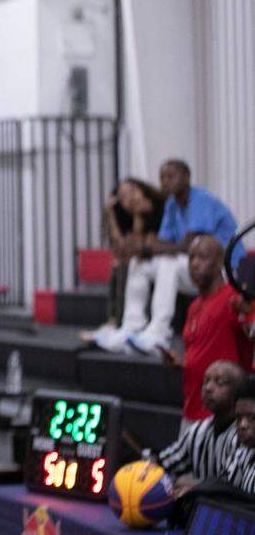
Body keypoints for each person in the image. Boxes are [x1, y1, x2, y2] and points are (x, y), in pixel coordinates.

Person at [96, 159, 240, 356]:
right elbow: (164, 243)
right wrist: (147, 250)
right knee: (140, 262)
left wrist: (147, 247)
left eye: (170, 176)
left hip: (224, 272)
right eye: (162, 177)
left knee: (167, 262)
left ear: (186, 177)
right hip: (195, 269)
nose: (164, 181)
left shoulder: (201, 200)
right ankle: (131, 326)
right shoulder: (172, 205)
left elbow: (191, 246)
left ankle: (159, 333)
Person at [159, 236, 254, 425]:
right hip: (191, 409)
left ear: (219, 262)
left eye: (202, 257)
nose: (194, 264)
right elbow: (200, 353)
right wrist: (182, 363)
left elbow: (251, 328)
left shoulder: (233, 298)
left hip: (222, 416)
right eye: (191, 258)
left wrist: (248, 313)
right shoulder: (194, 306)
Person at [82, 178, 166, 340]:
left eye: (133, 191)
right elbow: (122, 248)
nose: (131, 198)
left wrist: (140, 219)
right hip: (143, 257)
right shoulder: (128, 216)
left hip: (163, 257)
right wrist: (112, 214)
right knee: (119, 263)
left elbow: (143, 247)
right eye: (123, 197)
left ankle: (121, 323)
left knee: (128, 263)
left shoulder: (159, 207)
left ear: (142, 188)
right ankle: (114, 321)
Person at [159, 360, 244, 492]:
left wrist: (197, 486)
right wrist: (147, 467)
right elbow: (167, 462)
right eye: (206, 381)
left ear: (238, 393)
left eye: (219, 383)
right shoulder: (198, 430)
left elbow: (231, 484)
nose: (208, 388)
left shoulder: (244, 435)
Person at [225, 376, 255, 494]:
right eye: (238, 418)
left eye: (252, 418)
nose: (242, 425)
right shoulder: (244, 451)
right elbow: (226, 486)